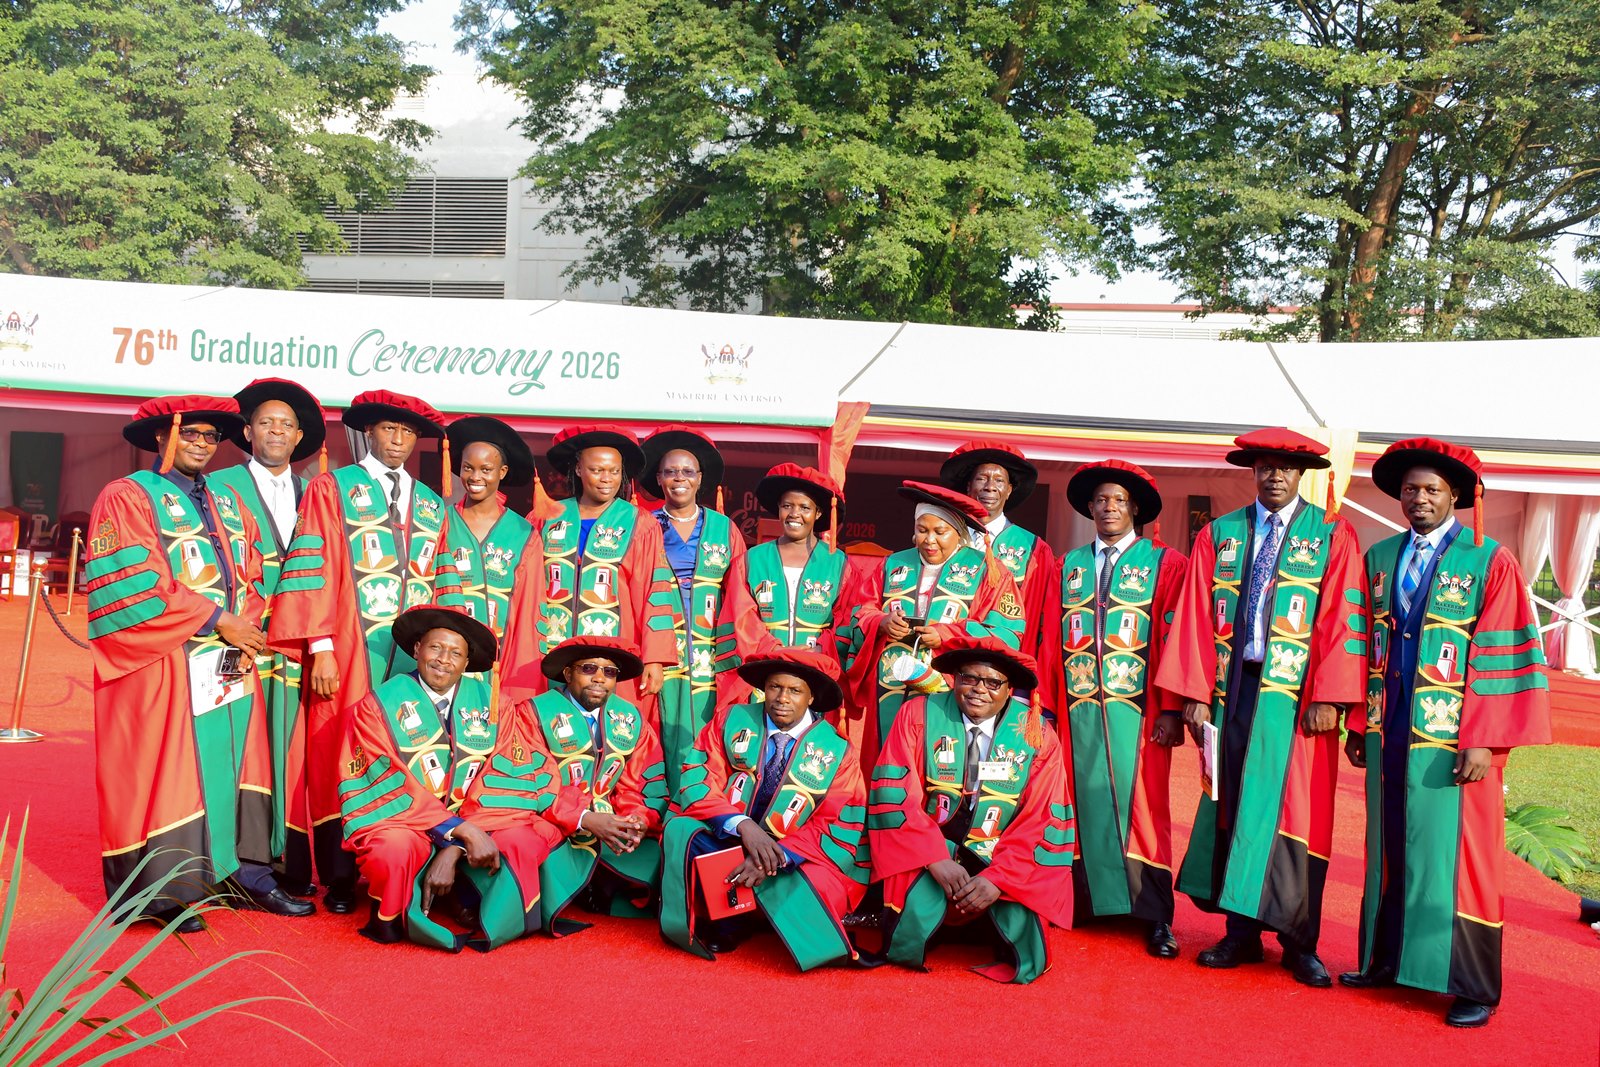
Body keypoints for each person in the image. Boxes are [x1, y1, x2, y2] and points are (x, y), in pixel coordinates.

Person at [1340, 438, 1552, 1027]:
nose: (1419, 499)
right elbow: (1362, 648)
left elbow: (1501, 652)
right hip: (1390, 729)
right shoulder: (1380, 558)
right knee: (1389, 844)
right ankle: (1387, 959)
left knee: (1461, 855)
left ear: (1454, 495)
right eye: (1410, 489)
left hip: (1453, 736)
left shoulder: (1489, 560)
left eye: (1432, 489)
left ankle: (1471, 984)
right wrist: (1360, 722)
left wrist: (1484, 738)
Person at [86, 395, 311, 929]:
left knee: (235, 763)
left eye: (211, 437)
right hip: (164, 659)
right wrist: (217, 620)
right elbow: (132, 583)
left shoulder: (224, 500)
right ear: (162, 437)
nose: (202, 444)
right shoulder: (128, 495)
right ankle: (160, 891)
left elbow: (252, 570)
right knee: (166, 771)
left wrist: (244, 626)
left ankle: (241, 871)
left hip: (226, 660)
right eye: (191, 434)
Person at [1155, 427, 1367, 987]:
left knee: (1299, 813)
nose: (1274, 475)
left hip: (1297, 697)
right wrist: (1194, 694)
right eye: (1264, 466)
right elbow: (1195, 615)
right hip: (1232, 690)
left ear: (1302, 475)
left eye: (1284, 467)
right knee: (1232, 805)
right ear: (1252, 472)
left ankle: (1300, 942)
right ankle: (1241, 933)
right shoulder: (1221, 534)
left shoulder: (1330, 534)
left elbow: (1342, 618)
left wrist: (1329, 694)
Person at [268, 388, 457, 913]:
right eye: (388, 430)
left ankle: (403, 862)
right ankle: (339, 875)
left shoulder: (429, 502)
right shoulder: (333, 488)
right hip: (349, 651)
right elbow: (313, 567)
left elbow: (444, 583)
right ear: (368, 433)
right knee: (338, 751)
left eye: (407, 432)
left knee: (406, 745)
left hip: (410, 662)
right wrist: (321, 647)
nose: (398, 440)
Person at [338, 605, 554, 951]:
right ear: (416, 650)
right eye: (435, 648)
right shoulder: (378, 705)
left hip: (480, 817)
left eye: (456, 653)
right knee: (393, 849)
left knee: (523, 839)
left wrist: (457, 841)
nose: (443, 660)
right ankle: (400, 916)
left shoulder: (495, 704)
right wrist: (455, 830)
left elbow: (502, 776)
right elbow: (385, 780)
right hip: (406, 821)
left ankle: (481, 905)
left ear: (467, 664)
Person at [1040, 459, 1187, 958]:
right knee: (1081, 801)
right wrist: (1045, 710)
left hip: (1139, 711)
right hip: (1077, 704)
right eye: (1100, 500)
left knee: (1145, 806)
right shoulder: (1068, 566)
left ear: (1136, 509)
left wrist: (1169, 708)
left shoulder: (1165, 563)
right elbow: (1048, 641)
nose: (1108, 508)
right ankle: (1086, 902)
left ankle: (1154, 916)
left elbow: (1174, 637)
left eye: (1118, 501)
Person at [867, 636, 1074, 984]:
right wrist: (935, 858)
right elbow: (895, 796)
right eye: (968, 678)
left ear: (1010, 689)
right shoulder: (918, 714)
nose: (978, 689)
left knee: (1026, 924)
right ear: (954, 679)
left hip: (1001, 851)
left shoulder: (1035, 732)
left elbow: (1042, 817)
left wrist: (999, 878)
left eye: (992, 682)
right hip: (933, 846)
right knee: (909, 895)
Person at [661, 648, 869, 970]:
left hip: (792, 855)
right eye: (775, 687)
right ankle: (729, 920)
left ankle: (757, 914)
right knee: (683, 831)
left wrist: (777, 857)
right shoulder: (731, 721)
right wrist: (743, 826)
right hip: (730, 838)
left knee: (818, 879)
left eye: (795, 690)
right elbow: (699, 779)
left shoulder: (837, 750)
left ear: (811, 697)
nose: (782, 698)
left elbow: (835, 821)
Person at [211, 377, 326, 897]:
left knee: (289, 749)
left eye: (286, 425)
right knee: (237, 750)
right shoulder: (221, 488)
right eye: (265, 423)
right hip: (237, 643)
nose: (276, 432)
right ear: (249, 431)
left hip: (295, 647)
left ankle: (284, 860)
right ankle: (234, 862)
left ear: (299, 436)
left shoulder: (317, 493)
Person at [841, 480, 1025, 767]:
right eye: (922, 530)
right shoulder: (892, 565)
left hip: (951, 687)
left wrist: (948, 635)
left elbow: (1008, 634)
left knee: (939, 761)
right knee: (886, 759)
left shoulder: (989, 572)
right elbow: (858, 613)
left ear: (959, 534)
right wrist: (881, 622)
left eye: (940, 532)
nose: (929, 540)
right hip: (889, 687)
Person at [512, 636, 670, 935]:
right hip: (554, 822)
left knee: (665, 860)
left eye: (609, 672)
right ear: (568, 673)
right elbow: (530, 782)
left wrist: (635, 819)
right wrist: (585, 818)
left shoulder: (630, 718)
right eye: (589, 668)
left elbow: (642, 782)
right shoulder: (532, 714)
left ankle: (599, 887)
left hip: (611, 824)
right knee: (526, 842)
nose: (600, 678)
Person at [537, 424, 679, 709]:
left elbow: (655, 591)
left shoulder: (639, 523)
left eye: (614, 471)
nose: (607, 479)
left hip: (614, 655)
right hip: (552, 648)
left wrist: (654, 657)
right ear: (578, 470)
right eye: (597, 470)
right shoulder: (546, 517)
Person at [641, 424, 748, 791]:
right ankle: (662, 810)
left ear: (700, 479)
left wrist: (735, 655)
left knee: (708, 729)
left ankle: (705, 804)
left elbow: (737, 594)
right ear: (658, 478)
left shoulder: (723, 528)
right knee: (658, 728)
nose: (679, 479)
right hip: (661, 648)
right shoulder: (644, 526)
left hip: (710, 651)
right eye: (670, 472)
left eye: (688, 471)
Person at [436, 414, 543, 693]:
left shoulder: (523, 532)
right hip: (443, 660)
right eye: (468, 467)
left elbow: (528, 611)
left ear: (502, 472)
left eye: (486, 469)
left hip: (501, 659)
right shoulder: (439, 523)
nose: (475, 477)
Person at [717, 463, 859, 668]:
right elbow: (740, 617)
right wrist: (773, 649)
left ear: (818, 513)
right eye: (787, 506)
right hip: (765, 667)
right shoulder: (751, 561)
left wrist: (822, 649)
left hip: (818, 667)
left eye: (805, 507)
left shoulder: (839, 565)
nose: (794, 513)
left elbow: (847, 619)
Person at [940, 440, 1056, 663]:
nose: (989, 486)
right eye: (981, 478)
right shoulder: (946, 538)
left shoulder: (1033, 549)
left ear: (1009, 490)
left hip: (1004, 663)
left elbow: (1040, 620)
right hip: (946, 653)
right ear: (968, 486)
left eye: (999, 480)